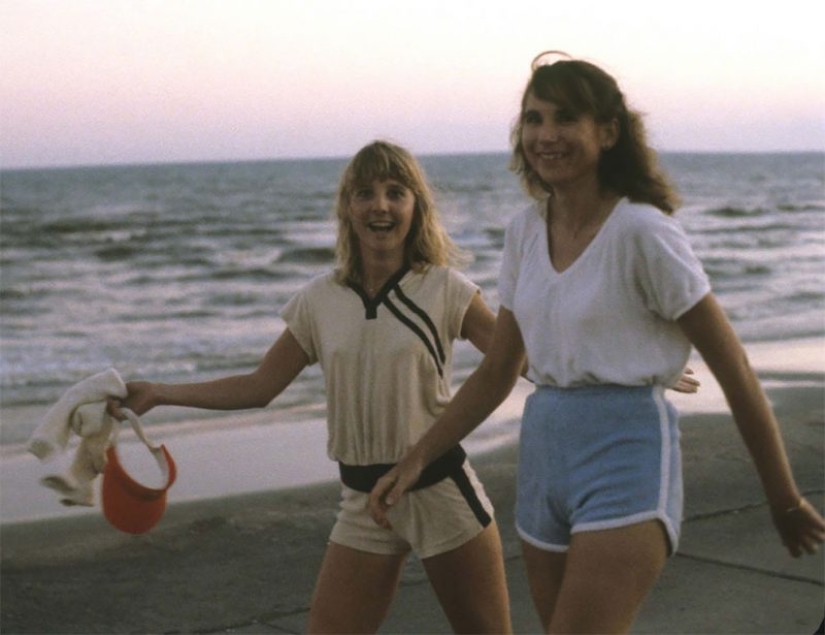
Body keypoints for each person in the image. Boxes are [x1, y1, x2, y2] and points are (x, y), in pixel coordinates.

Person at [368, 53, 825, 633]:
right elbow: (497, 370)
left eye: (565, 118)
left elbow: (732, 364)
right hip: (543, 457)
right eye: (533, 119)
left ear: (608, 132)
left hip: (626, 452)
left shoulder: (642, 230)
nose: (545, 135)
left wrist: (783, 497)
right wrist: (415, 460)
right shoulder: (526, 231)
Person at [109, 140, 513, 634]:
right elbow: (260, 386)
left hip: (439, 491)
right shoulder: (320, 299)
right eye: (365, 193)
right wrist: (159, 392)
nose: (380, 205)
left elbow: (515, 361)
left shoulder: (447, 288)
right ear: (348, 208)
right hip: (364, 501)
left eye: (395, 192)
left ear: (416, 206)